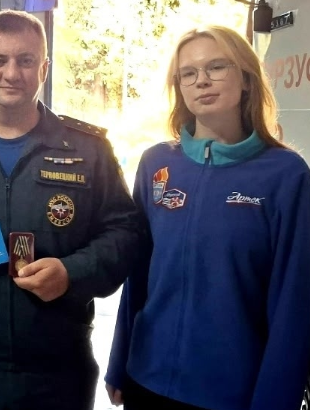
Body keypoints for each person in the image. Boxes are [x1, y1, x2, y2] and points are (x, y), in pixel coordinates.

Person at [0, 10, 141, 410]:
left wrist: (71, 273)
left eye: (26, 60)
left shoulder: (88, 149)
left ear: (44, 69)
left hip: (58, 368)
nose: (12, 73)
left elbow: (125, 233)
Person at [105, 25, 310, 410]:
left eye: (217, 67)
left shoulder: (286, 175)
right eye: (188, 73)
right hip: (147, 380)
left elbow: (294, 306)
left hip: (231, 395)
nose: (201, 80)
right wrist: (119, 363)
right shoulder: (157, 164)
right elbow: (138, 277)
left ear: (246, 78)